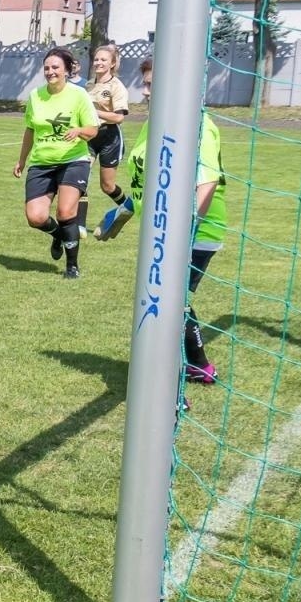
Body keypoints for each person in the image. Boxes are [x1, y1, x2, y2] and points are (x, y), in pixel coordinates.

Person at [102, 57, 227, 386]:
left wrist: (184, 234)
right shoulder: (154, 123)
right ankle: (198, 366)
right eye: (145, 84)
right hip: (161, 231)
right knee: (171, 301)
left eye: (151, 85)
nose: (144, 91)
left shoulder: (197, 125)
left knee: (166, 304)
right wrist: (123, 214)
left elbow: (207, 182)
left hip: (195, 233)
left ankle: (169, 392)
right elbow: (148, 183)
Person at [13, 46, 99, 279]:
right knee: (36, 217)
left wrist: (79, 130)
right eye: (47, 68)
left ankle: (72, 266)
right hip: (42, 162)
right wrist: (21, 160)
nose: (50, 72)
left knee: (65, 210)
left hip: (74, 160)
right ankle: (59, 235)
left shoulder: (79, 95)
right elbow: (30, 130)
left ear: (67, 70)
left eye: (55, 67)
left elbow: (93, 130)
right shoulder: (35, 96)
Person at [83, 42, 135, 236]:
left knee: (107, 186)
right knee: (81, 178)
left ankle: (126, 205)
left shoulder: (117, 86)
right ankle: (79, 226)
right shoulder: (89, 84)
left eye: (103, 60)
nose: (98, 63)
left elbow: (119, 117)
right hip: (89, 136)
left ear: (112, 64)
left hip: (109, 138)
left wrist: (94, 111)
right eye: (96, 59)